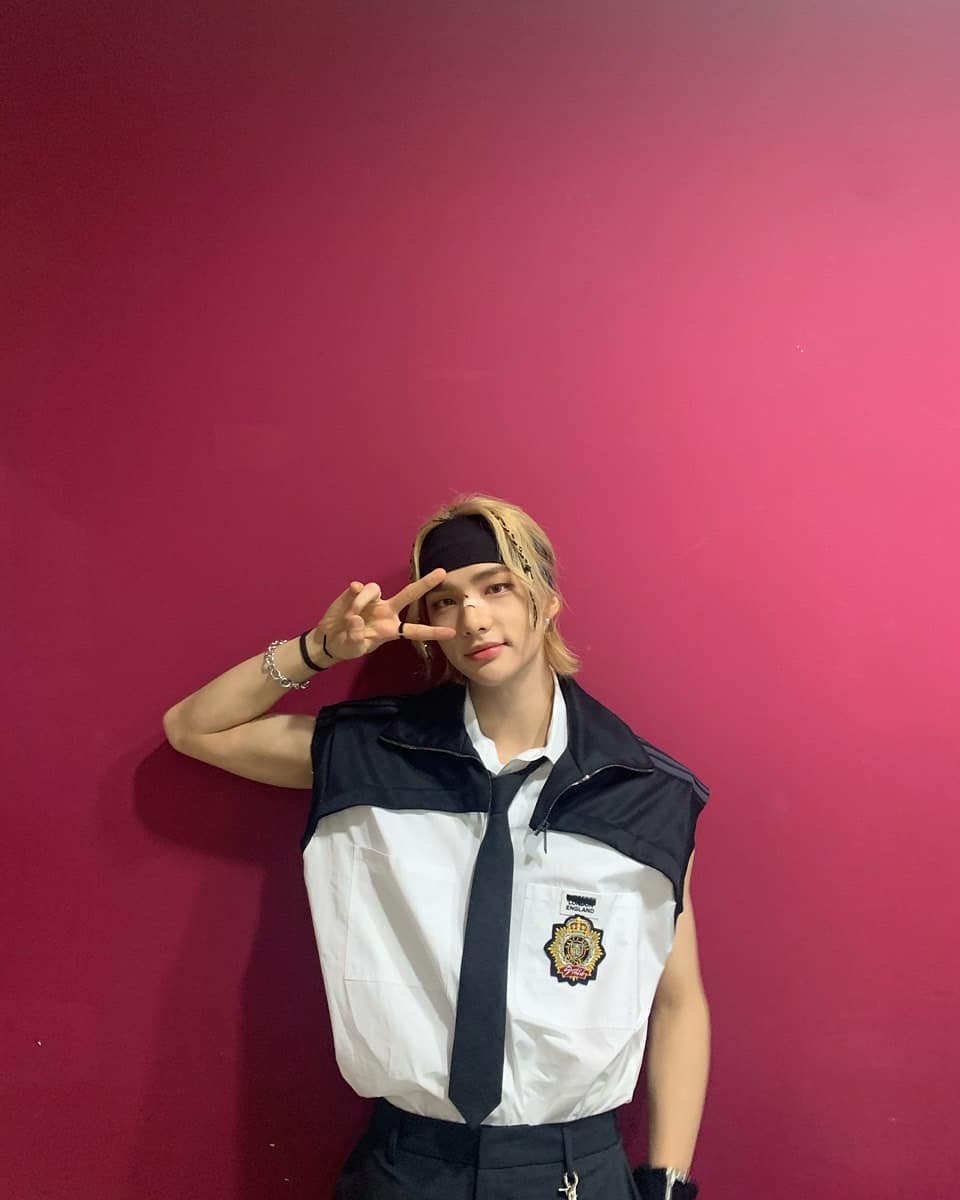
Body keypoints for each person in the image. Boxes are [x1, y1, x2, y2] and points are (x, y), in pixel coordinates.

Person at [163, 493, 711, 1200]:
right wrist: (319, 649)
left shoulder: (645, 790)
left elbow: (678, 1001)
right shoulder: (373, 752)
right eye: (446, 601)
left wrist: (668, 1184)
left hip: (576, 1168)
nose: (473, 618)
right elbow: (194, 729)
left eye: (497, 587)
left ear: (547, 600)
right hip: (409, 1165)